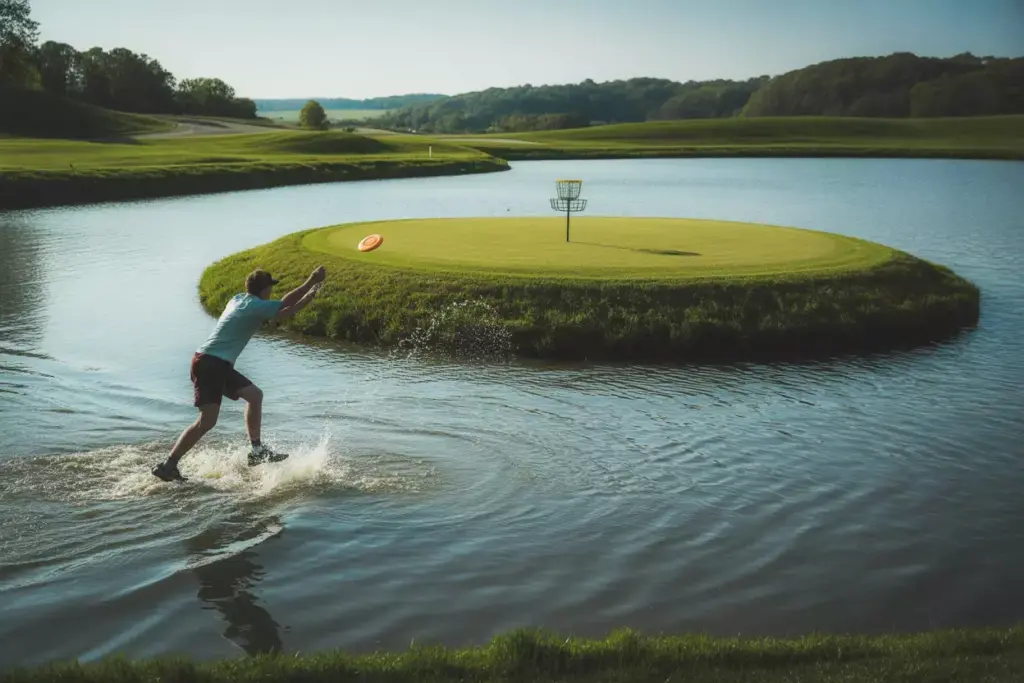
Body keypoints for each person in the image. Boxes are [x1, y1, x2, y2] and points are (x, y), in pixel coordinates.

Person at [152, 266, 326, 482]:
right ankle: (169, 465)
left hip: (215, 363)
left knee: (254, 395)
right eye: (270, 287)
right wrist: (311, 282)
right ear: (264, 289)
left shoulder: (239, 299)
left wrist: (309, 296)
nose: (271, 292)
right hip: (210, 364)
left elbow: (281, 313)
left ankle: (256, 450)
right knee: (207, 421)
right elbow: (285, 306)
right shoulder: (254, 305)